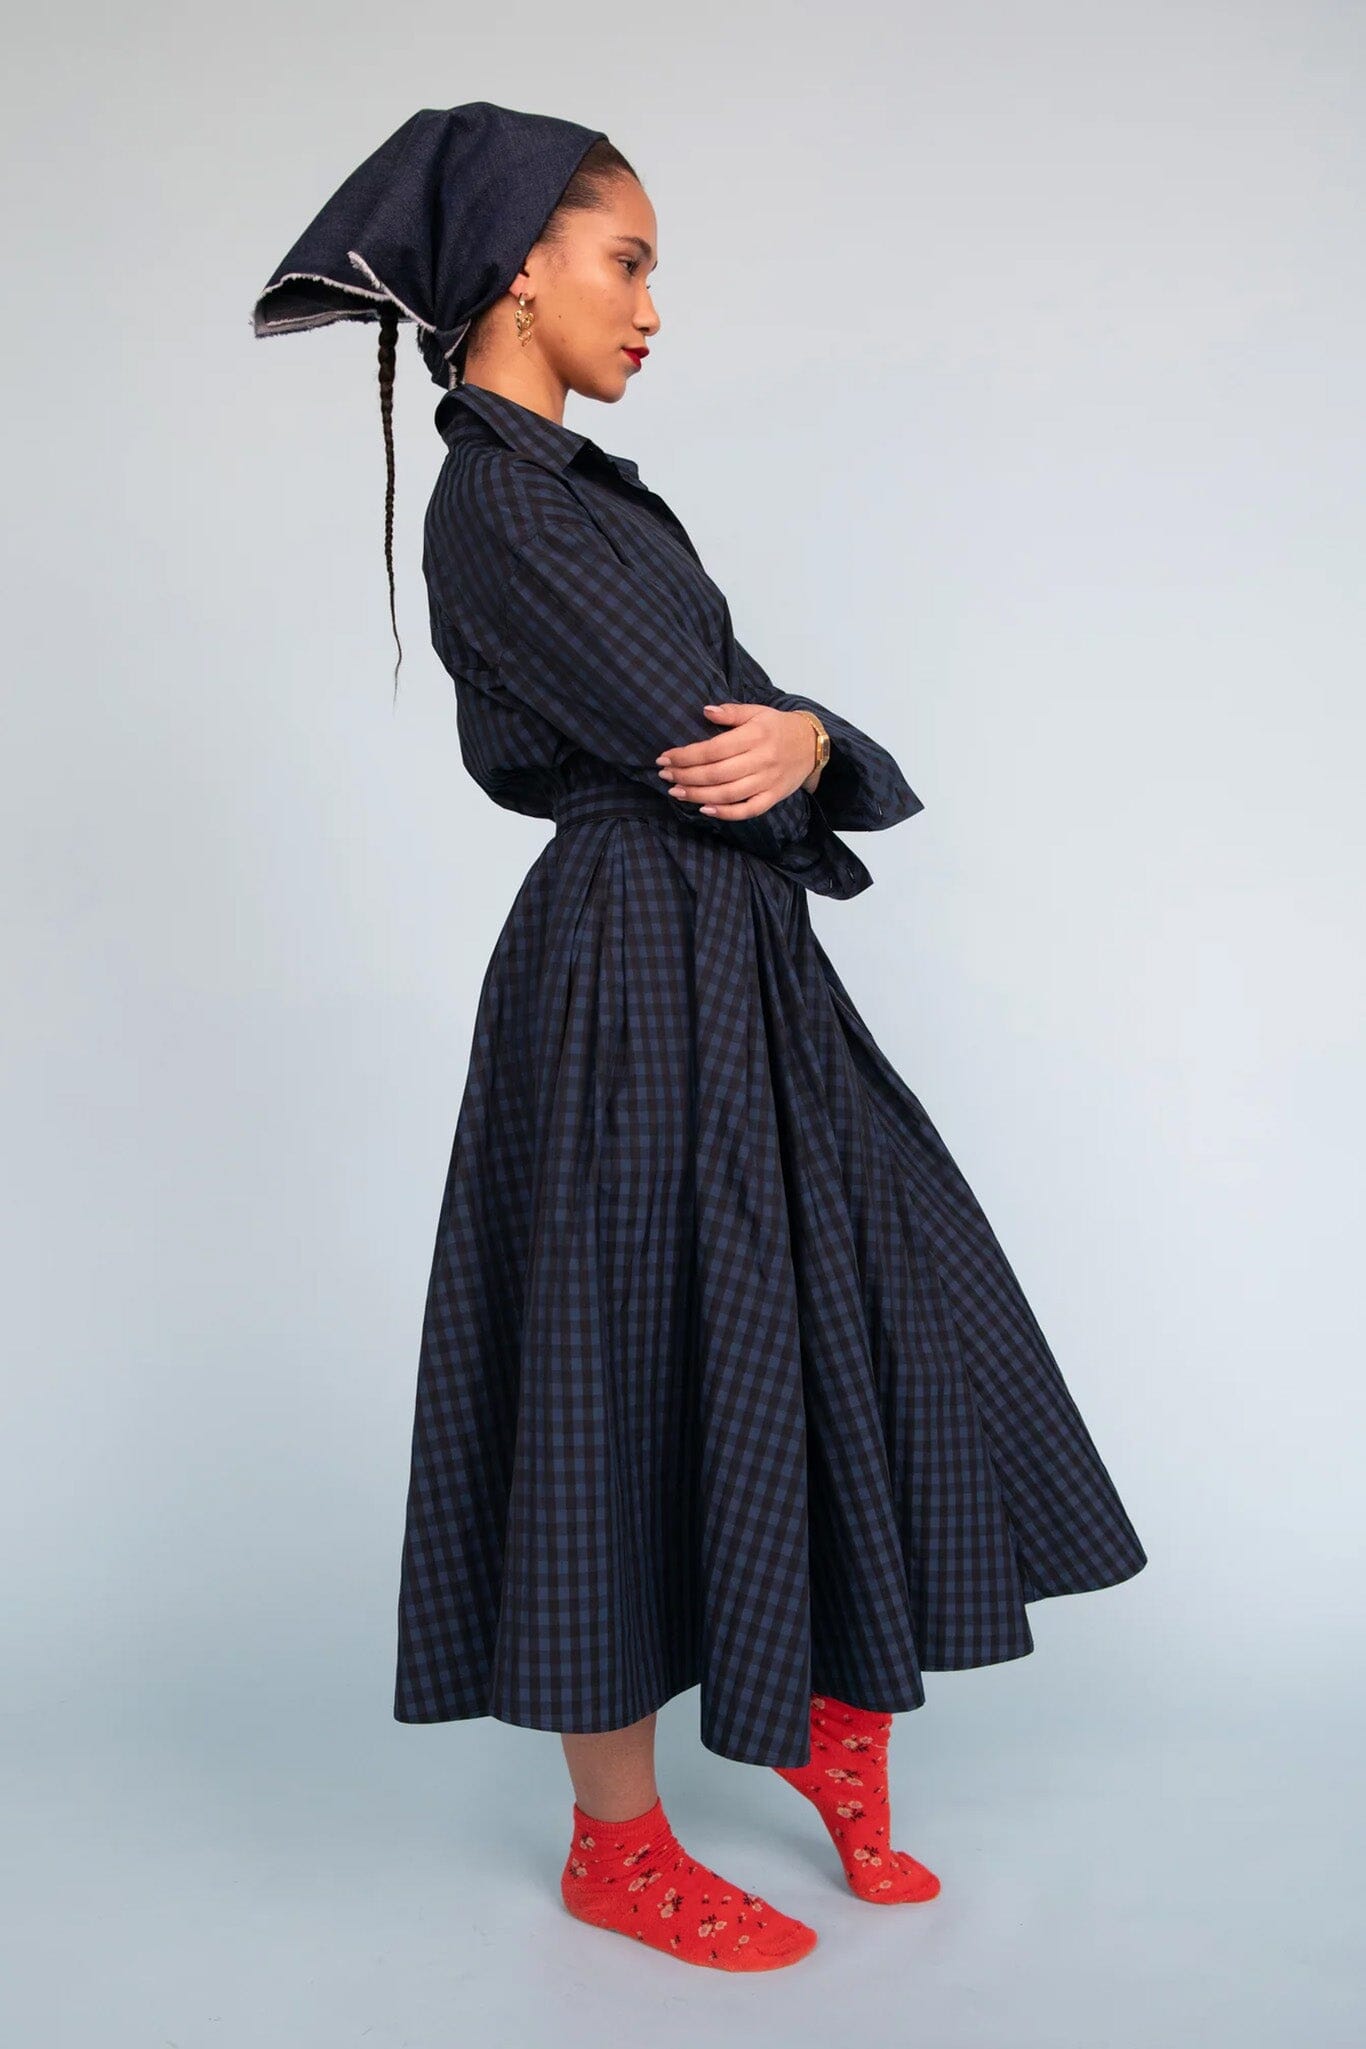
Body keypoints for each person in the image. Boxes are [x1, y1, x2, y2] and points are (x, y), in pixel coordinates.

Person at [253, 104, 1147, 1975]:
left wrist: (812, 741)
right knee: (623, 1358)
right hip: (627, 973)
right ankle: (616, 1844)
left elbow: (762, 740)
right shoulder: (500, 497)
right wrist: (803, 743)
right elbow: (700, 737)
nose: (654, 305)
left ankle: (835, 1710)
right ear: (518, 263)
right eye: (627, 259)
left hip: (733, 956)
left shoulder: (583, 490)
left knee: (869, 1294)